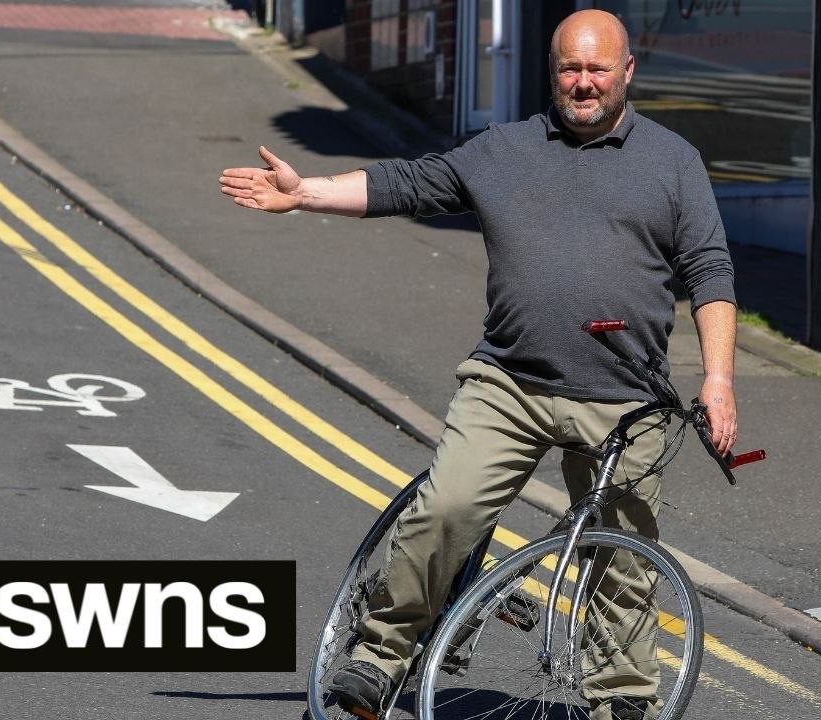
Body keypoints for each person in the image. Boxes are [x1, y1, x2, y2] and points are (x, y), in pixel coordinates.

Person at [220, 9, 737, 720]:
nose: (583, 83)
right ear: (550, 72)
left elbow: (709, 271)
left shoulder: (673, 160)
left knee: (622, 560)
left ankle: (622, 700)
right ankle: (380, 655)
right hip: (510, 385)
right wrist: (306, 192)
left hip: (626, 394)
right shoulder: (506, 149)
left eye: (596, 69)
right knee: (448, 508)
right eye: (569, 68)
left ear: (627, 72)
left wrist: (717, 380)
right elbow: (409, 184)